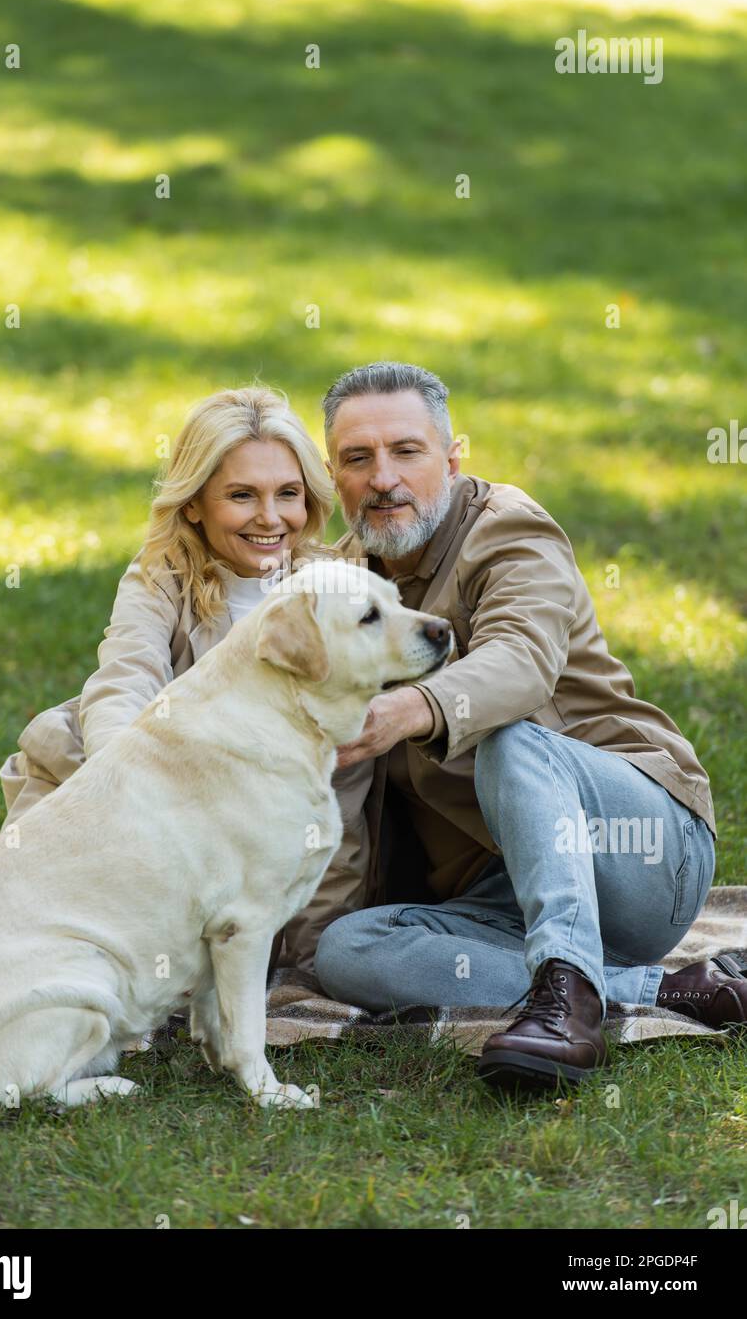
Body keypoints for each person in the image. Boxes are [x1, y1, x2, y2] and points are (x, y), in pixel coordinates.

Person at [300, 360, 747, 1091]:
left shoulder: (508, 529)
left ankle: (566, 1008)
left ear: (450, 460)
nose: (383, 477)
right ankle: (658, 991)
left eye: (406, 451)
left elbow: (520, 663)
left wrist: (409, 709)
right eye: (358, 458)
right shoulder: (345, 587)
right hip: (503, 888)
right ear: (333, 475)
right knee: (344, 952)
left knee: (506, 737)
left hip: (639, 858)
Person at [0, 385, 370, 995]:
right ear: (194, 504)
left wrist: (309, 949)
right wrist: (123, 790)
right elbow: (126, 674)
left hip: (233, 832)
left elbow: (338, 788)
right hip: (124, 791)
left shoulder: (332, 588)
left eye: (288, 494)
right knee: (20, 937)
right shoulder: (162, 573)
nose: (270, 517)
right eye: (242, 495)